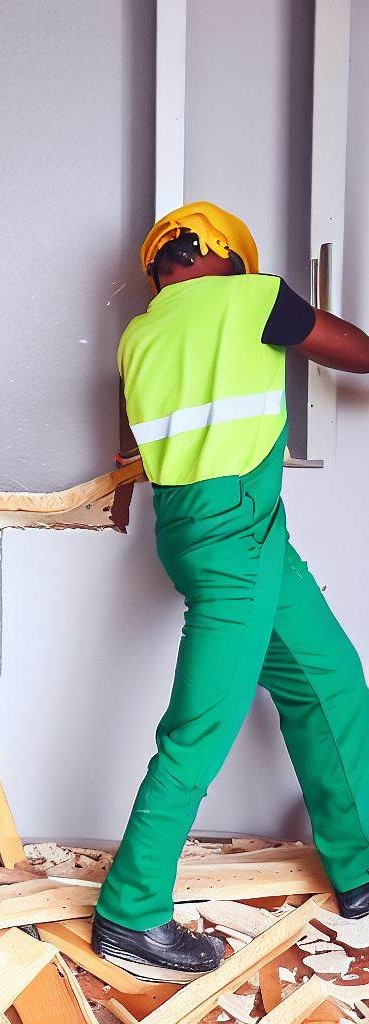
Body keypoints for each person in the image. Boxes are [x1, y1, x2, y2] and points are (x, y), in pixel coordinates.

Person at [92, 201, 369, 983]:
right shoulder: (254, 297)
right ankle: (131, 911)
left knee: (330, 679)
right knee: (199, 733)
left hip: (203, 532)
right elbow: (353, 351)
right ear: (229, 256)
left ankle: (359, 866)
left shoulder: (139, 336)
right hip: (238, 541)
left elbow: (139, 450)